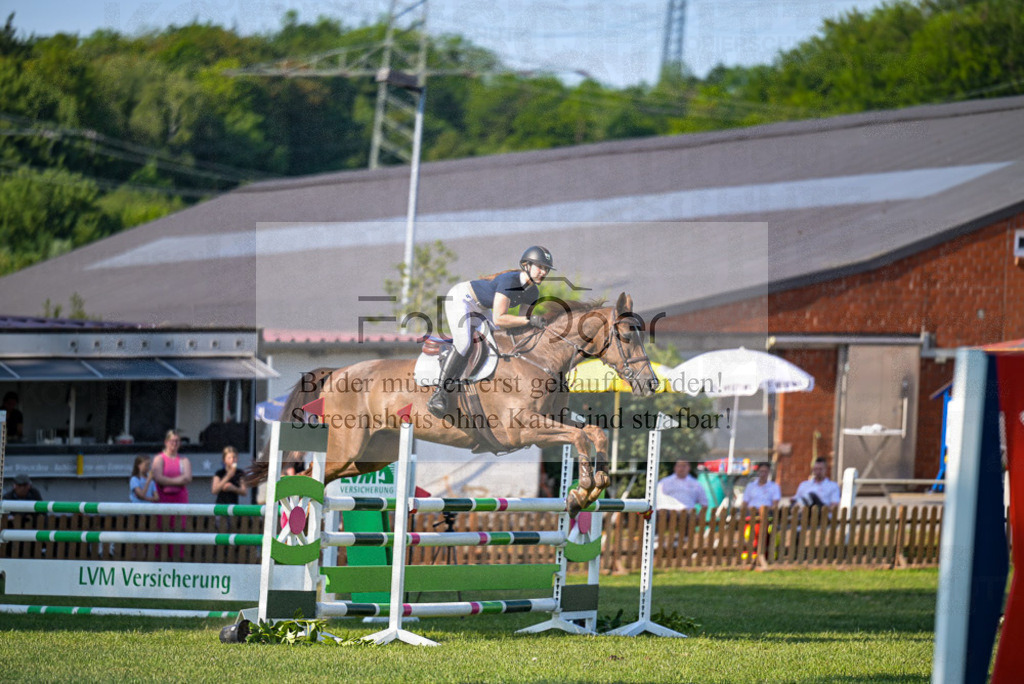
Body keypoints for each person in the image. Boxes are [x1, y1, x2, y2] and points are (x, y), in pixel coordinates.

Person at [427, 245, 554, 418]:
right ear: (526, 265)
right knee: (464, 343)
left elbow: (521, 324)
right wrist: (529, 320)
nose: (544, 273)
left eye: (546, 269)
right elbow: (500, 319)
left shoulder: (533, 291)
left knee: (498, 342)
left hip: (482, 309)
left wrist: (537, 328)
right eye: (540, 267)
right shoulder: (510, 281)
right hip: (462, 298)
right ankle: (438, 393)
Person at [151, 429, 192, 559]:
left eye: (177, 441)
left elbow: (188, 478)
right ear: (166, 442)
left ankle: (178, 559)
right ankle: (160, 559)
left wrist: (168, 481)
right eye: (172, 441)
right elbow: (158, 478)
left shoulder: (184, 460)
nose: (174, 443)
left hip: (180, 499)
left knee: (179, 529)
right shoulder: (159, 458)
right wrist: (177, 481)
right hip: (163, 499)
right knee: (162, 529)